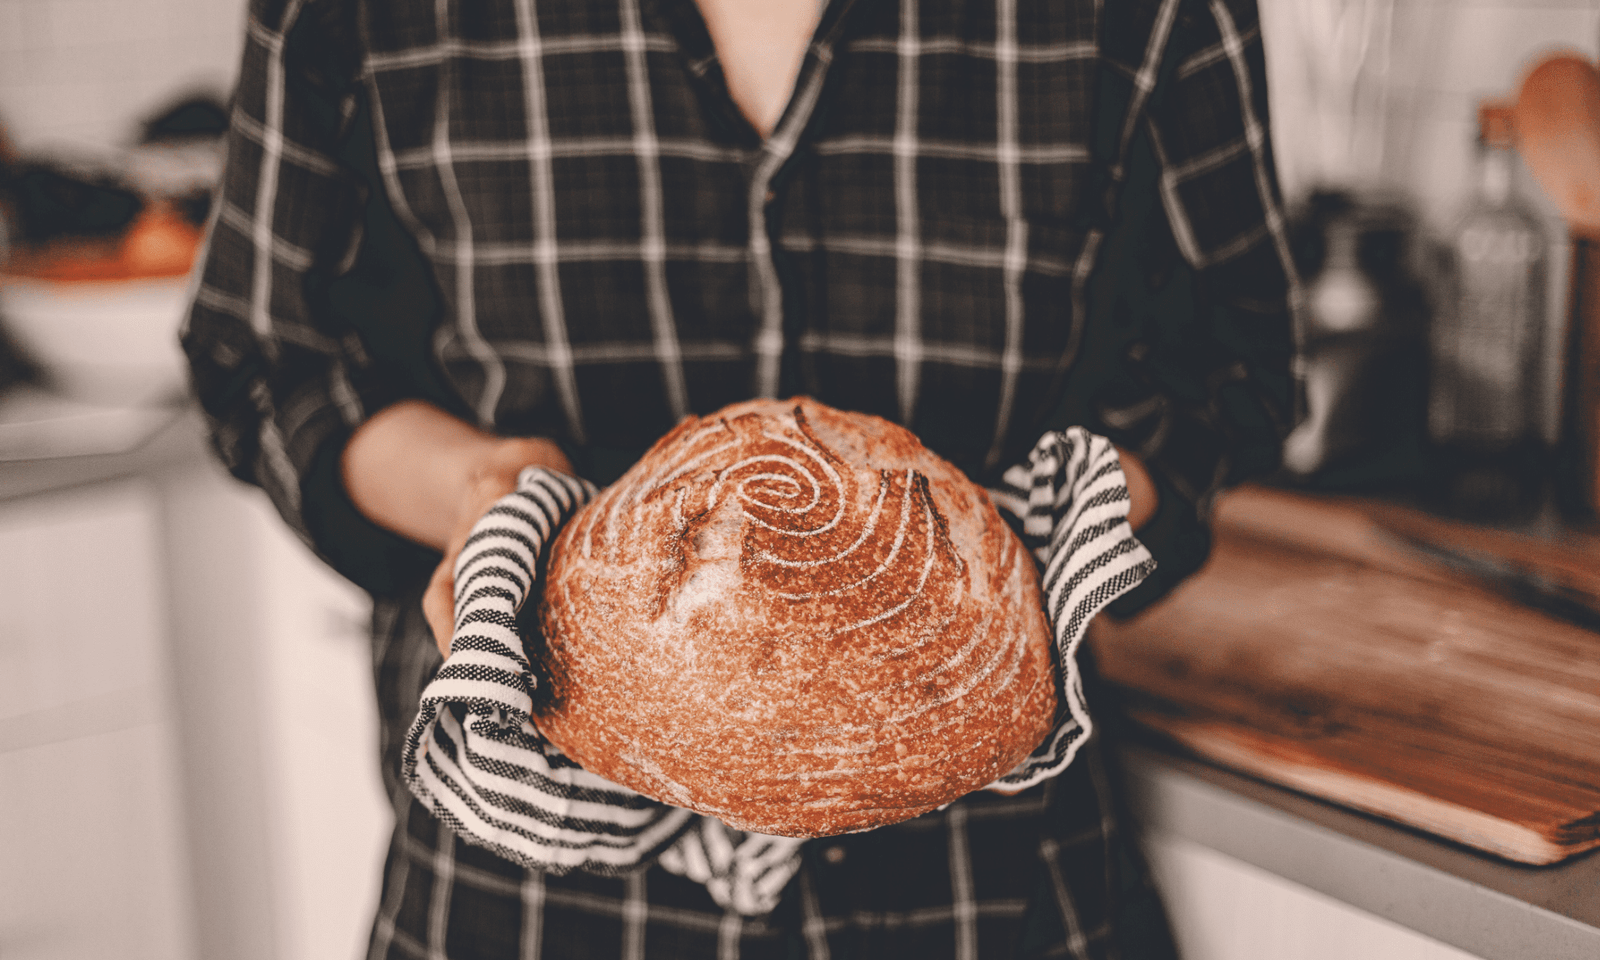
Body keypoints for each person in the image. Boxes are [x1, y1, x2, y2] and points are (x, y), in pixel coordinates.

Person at [182, 0, 1297, 955]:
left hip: (992, 898)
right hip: (525, 909)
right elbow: (266, 357)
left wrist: (1026, 556)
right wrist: (483, 490)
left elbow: (1232, 369)